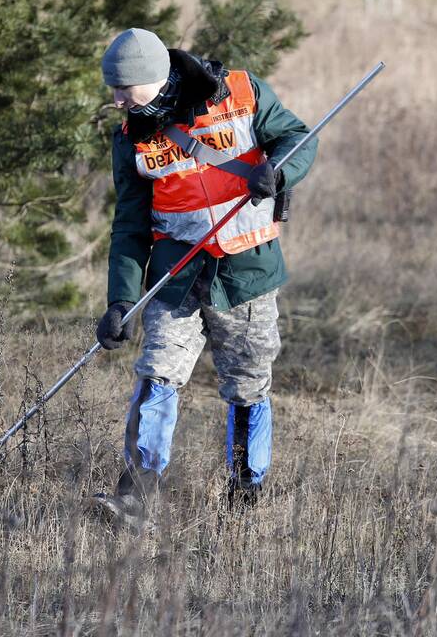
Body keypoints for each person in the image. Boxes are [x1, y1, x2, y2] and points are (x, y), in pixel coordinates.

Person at [93, 28, 317, 523]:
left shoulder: (241, 91)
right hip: (176, 274)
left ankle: (245, 491)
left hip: (247, 273)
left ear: (154, 79)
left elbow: (297, 137)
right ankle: (136, 496)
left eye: (123, 90)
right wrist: (119, 301)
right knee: (157, 373)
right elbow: (130, 223)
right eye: (112, 89)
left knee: (248, 384)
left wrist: (278, 171)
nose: (115, 101)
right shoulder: (131, 136)